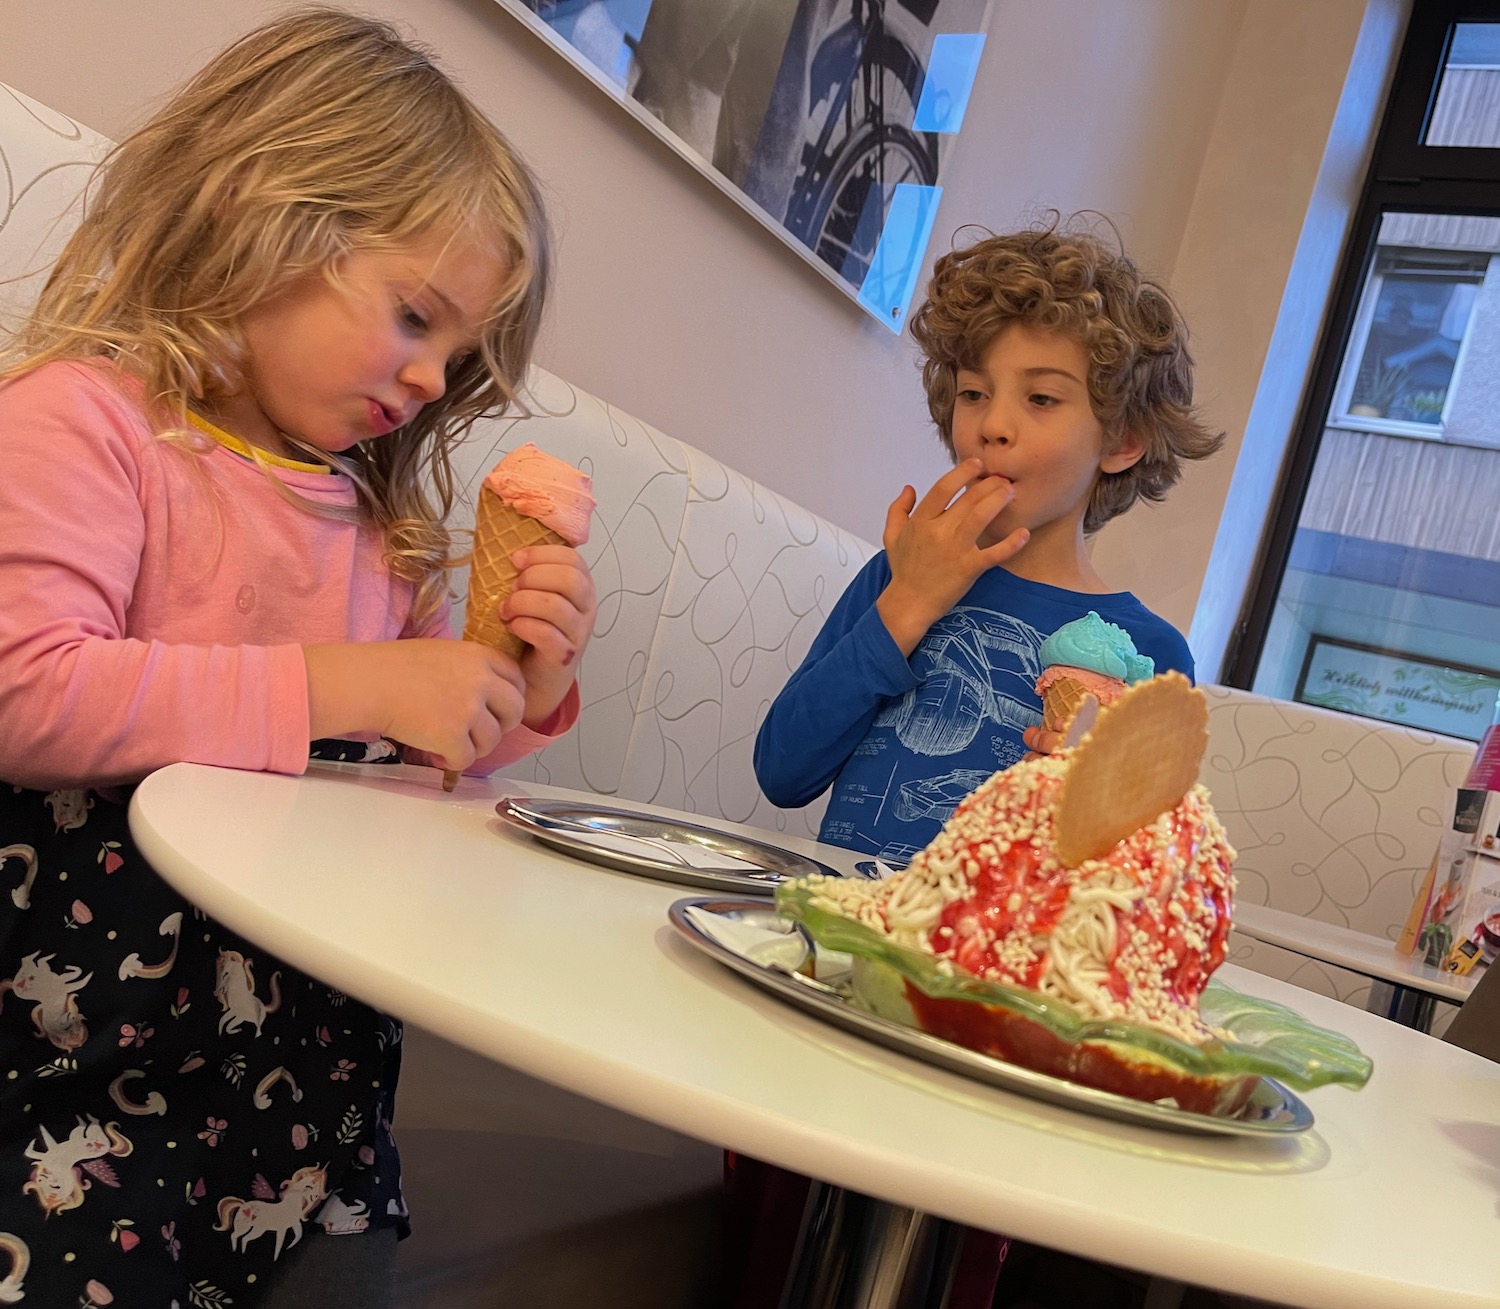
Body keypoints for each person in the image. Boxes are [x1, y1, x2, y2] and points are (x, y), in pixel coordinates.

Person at [0, 11, 595, 1308]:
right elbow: (24, 689)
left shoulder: (375, 529)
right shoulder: (88, 423)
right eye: (416, 316)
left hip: (299, 1077)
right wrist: (340, 683)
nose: (435, 377)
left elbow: (434, 734)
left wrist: (525, 677)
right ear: (260, 209)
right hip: (81, 1046)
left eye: (461, 356)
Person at [740, 219, 1223, 1307]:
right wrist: (909, 602)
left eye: (1041, 399)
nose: (992, 424)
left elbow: (1129, 888)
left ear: (1125, 439)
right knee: (780, 1239)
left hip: (999, 1028)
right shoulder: (898, 572)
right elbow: (783, 764)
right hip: (839, 972)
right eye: (971, 391)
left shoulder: (1153, 655)